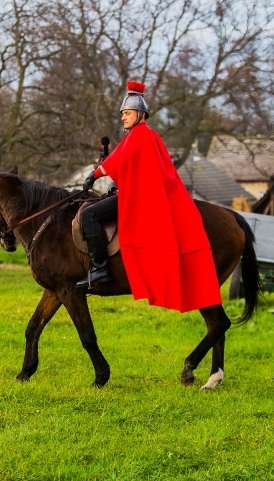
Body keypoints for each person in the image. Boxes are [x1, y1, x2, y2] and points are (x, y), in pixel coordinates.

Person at [78, 80, 221, 313]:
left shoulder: (140, 135)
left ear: (140, 114)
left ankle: (99, 268)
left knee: (89, 214)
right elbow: (134, 168)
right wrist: (117, 183)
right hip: (131, 192)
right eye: (122, 114)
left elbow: (117, 160)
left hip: (137, 199)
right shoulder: (145, 136)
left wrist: (94, 175)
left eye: (127, 113)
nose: (123, 118)